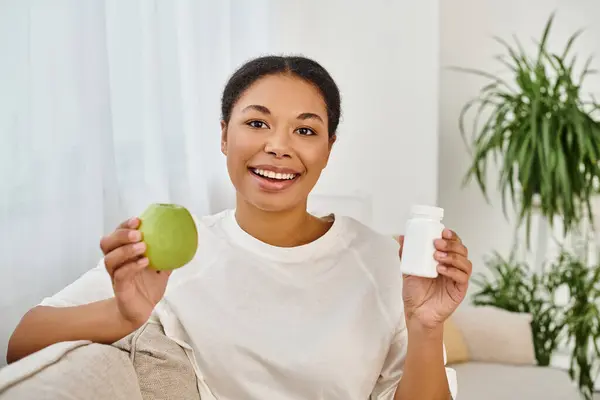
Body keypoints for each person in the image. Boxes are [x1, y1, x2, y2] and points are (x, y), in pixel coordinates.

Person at [7, 55, 472, 399]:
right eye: (257, 123)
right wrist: (123, 316)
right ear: (224, 134)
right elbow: (21, 343)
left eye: (305, 131)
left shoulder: (380, 259)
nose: (278, 146)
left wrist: (426, 328)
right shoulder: (178, 257)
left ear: (329, 149)